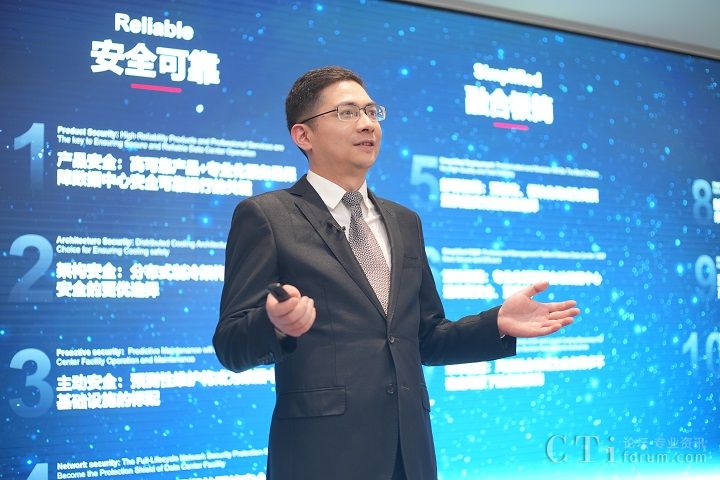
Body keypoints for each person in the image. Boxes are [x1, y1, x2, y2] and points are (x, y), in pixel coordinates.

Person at [213, 66, 579, 480]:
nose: (367, 123)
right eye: (347, 112)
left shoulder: (404, 221)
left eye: (372, 111)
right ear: (304, 136)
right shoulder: (268, 216)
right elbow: (230, 344)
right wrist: (275, 325)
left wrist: (495, 323)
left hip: (410, 454)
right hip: (321, 456)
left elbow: (425, 338)